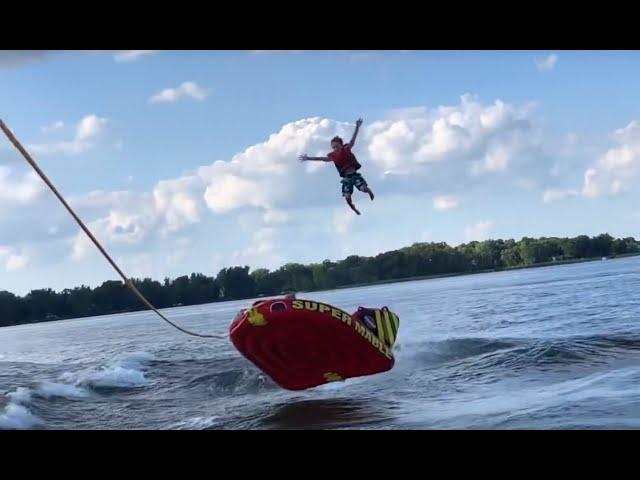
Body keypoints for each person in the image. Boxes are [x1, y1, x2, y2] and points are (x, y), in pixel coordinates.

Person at [299, 118, 374, 215]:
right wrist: (308, 158)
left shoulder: (347, 149)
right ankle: (354, 208)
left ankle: (369, 192)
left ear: (341, 145)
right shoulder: (333, 156)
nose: (335, 149)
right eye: (333, 147)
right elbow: (322, 159)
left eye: (337, 146)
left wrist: (357, 127)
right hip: (346, 179)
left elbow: (353, 140)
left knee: (363, 189)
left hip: (354, 175)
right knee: (347, 198)